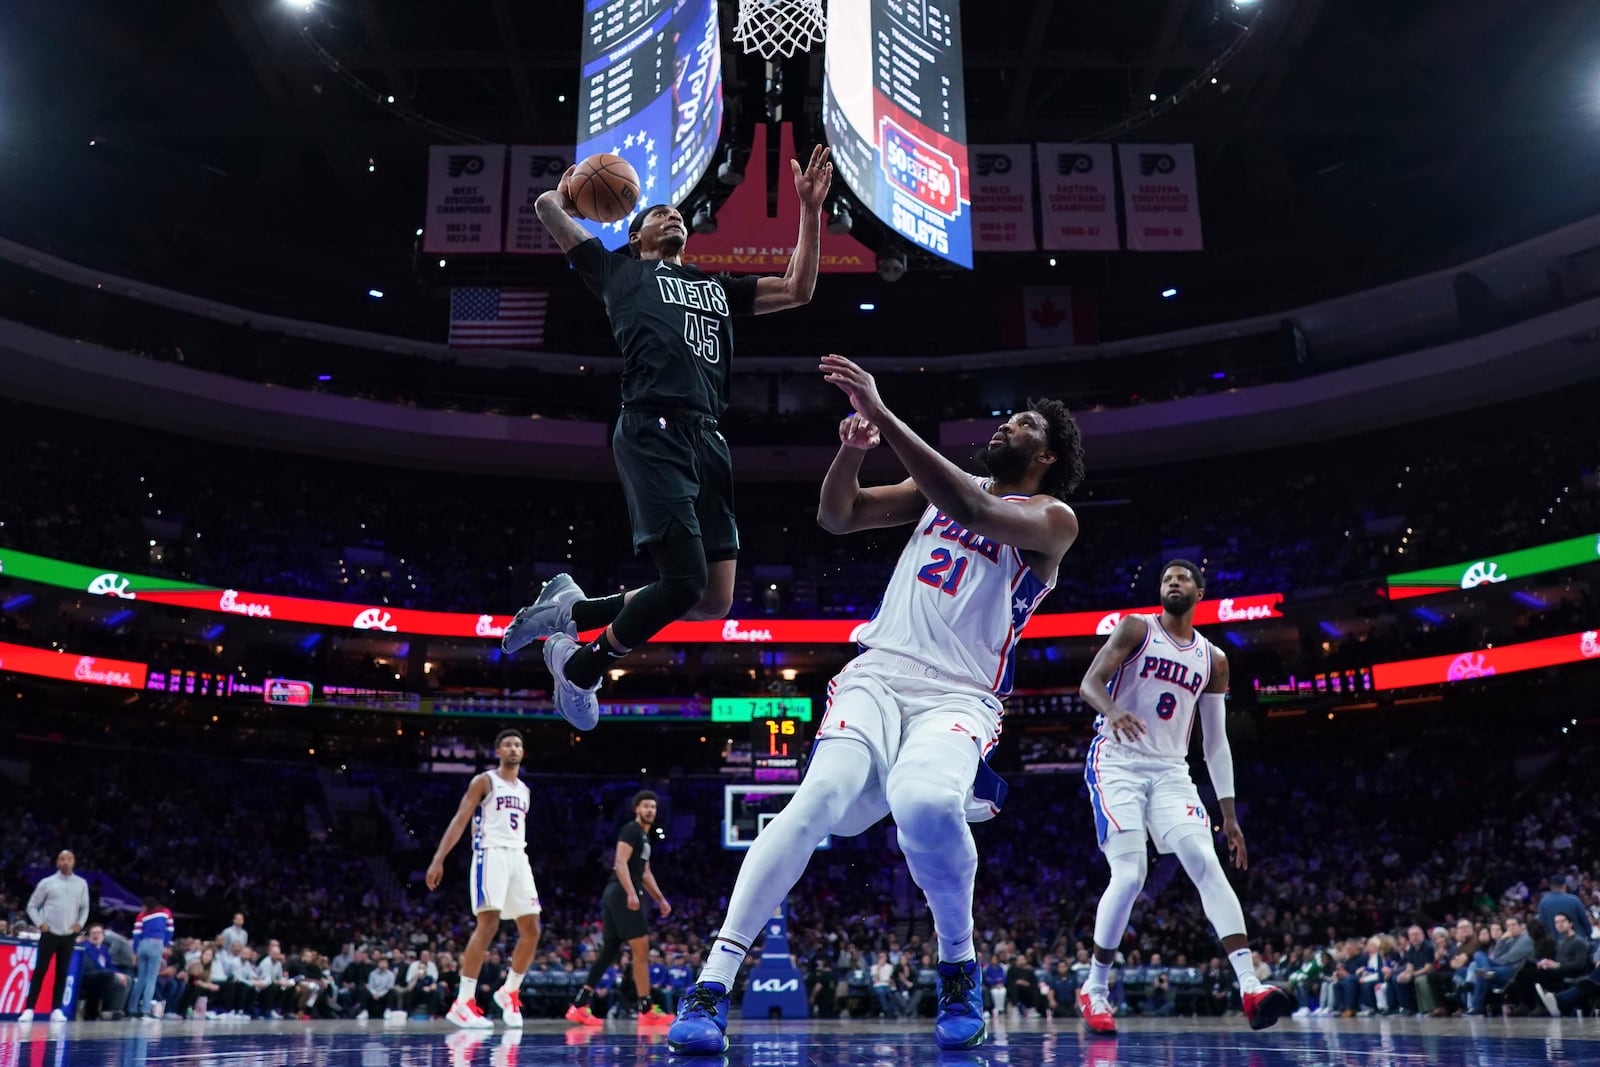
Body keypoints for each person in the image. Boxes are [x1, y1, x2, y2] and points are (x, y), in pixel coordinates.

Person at [668, 355, 1084, 1055]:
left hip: (958, 693)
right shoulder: (943, 486)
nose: (1003, 425)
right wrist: (851, 451)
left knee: (923, 802)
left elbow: (974, 510)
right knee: (815, 799)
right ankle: (710, 985)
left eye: (1020, 423)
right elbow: (839, 515)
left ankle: (958, 964)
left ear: (1043, 453)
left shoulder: (1052, 516)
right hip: (879, 672)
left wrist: (885, 414)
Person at [503, 145, 834, 730]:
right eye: (658, 214)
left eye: (676, 214)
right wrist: (571, 190)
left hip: (708, 437)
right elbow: (547, 209)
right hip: (651, 427)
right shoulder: (618, 273)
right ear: (635, 237)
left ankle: (572, 611)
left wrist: (810, 212)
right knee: (683, 582)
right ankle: (578, 667)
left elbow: (798, 289)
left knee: (713, 600)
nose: (673, 215)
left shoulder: (714, 288)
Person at [1074, 561, 1293, 1034]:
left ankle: (1250, 986)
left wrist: (1228, 815)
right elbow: (1089, 682)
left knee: (1204, 860)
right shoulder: (1136, 628)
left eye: (1182, 578)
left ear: (1199, 591)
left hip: (1172, 771)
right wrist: (1111, 710)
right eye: (1166, 578)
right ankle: (1094, 988)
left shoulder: (1213, 660)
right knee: (1130, 874)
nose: (1172, 582)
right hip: (1117, 762)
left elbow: (1215, 742)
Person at [426, 728, 543, 1029]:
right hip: (490, 854)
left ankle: (509, 991)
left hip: (519, 856)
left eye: (518, 744)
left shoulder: (525, 791)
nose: (514, 749)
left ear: (523, 752)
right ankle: (463, 1002)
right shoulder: (484, 781)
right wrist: (439, 859)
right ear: (498, 751)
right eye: (508, 745)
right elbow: (460, 819)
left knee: (532, 929)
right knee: (488, 924)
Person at [566, 791, 675, 1026]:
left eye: (653, 807)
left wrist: (661, 899)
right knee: (641, 951)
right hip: (621, 894)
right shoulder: (631, 830)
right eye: (645, 806)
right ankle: (646, 1009)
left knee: (609, 952)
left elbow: (645, 873)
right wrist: (631, 893)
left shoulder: (645, 838)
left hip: (620, 894)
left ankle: (579, 1005)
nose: (650, 811)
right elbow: (620, 862)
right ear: (636, 808)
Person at [18, 849, 90, 1023]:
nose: (66, 862)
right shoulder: (47, 883)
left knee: (62, 972)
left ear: (74, 862)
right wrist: (40, 923)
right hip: (49, 933)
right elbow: (32, 906)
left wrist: (79, 924)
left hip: (68, 935)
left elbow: (85, 907)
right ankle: (29, 1009)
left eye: (69, 859)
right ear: (57, 862)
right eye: (62, 859)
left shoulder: (81, 884)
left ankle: (56, 1009)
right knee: (40, 971)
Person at [130, 896, 174, 1020]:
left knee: (140, 979)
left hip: (142, 945)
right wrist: (165, 945)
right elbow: (170, 930)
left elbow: (136, 934)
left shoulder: (141, 915)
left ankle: (132, 1009)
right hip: (156, 943)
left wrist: (135, 952)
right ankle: (145, 1011)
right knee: (151, 980)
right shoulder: (166, 912)